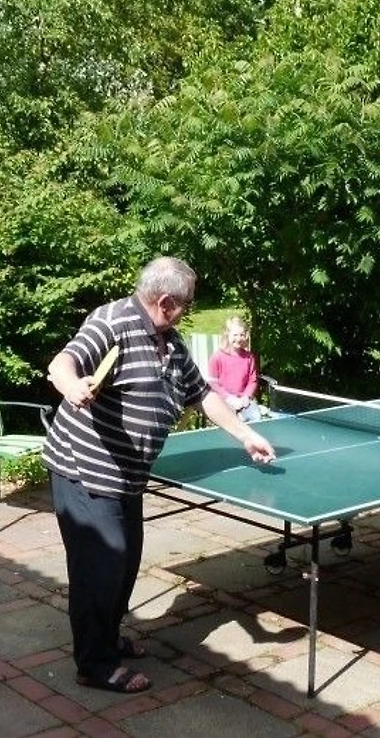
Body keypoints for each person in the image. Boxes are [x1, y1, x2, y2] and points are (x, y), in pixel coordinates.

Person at [43, 257, 276, 694]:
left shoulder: (169, 340)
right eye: (186, 304)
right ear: (166, 302)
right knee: (100, 568)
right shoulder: (111, 322)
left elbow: (202, 394)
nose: (188, 311)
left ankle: (107, 638)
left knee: (125, 563)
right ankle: (94, 665)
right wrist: (72, 386)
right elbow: (63, 363)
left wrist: (246, 434)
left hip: (127, 474)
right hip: (85, 469)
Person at [207, 315, 262, 422]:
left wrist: (246, 397)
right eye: (235, 335)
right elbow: (212, 383)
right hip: (223, 400)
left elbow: (253, 380)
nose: (238, 338)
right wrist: (229, 398)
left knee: (255, 417)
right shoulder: (217, 357)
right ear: (227, 335)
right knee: (231, 422)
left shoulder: (249, 357)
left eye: (242, 335)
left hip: (244, 401)